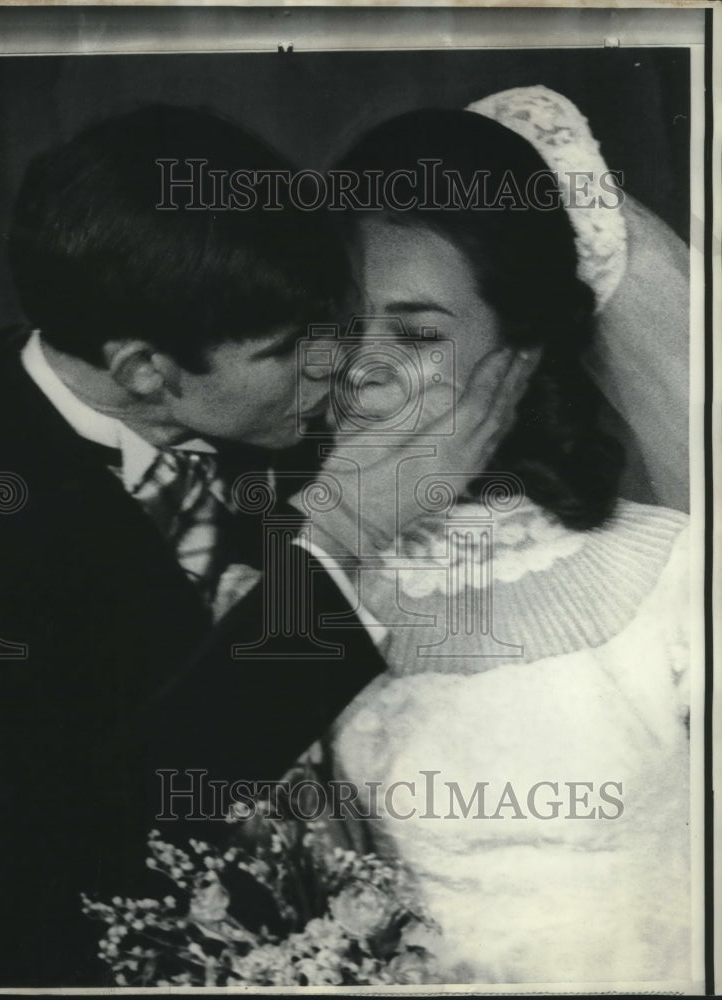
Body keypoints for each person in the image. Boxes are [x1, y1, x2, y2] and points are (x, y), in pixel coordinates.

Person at [0, 103, 403, 989]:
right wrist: (342, 541)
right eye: (282, 350)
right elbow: (89, 845)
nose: (330, 367)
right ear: (143, 370)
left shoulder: (285, 426)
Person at [311, 88, 693, 984]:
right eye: (339, 324)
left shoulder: (677, 572)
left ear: (521, 347)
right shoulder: (300, 576)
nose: (362, 368)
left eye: (414, 332)